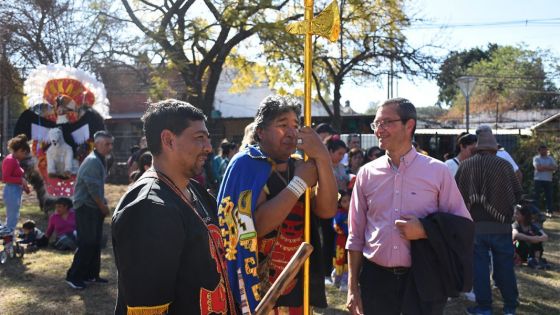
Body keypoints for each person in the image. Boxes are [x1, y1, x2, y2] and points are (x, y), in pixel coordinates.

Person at [346, 98, 473, 315]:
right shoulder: (366, 174)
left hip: (425, 279)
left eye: (387, 122)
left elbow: (463, 227)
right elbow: (355, 235)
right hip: (376, 281)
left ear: (409, 125)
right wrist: (352, 288)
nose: (379, 130)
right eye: (376, 124)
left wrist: (426, 230)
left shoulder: (438, 171)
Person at [112, 99, 236, 315]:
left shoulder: (195, 190)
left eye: (208, 139)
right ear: (168, 140)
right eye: (199, 138)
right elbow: (149, 306)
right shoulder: (148, 209)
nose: (208, 147)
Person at [217, 94, 338, 313]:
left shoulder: (300, 165)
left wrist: (322, 157)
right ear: (261, 132)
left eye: (295, 125)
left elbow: (327, 210)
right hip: (258, 284)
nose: (291, 132)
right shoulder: (247, 165)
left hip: (297, 282)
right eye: (283, 125)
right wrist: (299, 183)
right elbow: (256, 225)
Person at [455, 127, 522, 315]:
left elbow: (457, 196)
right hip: (501, 226)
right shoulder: (504, 166)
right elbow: (517, 193)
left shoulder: (465, 166)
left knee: (480, 269)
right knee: (505, 267)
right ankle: (510, 307)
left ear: (477, 147)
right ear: (493, 147)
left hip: (475, 227)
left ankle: (484, 308)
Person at [65, 130, 113, 290]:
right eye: (107, 144)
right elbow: (92, 188)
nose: (110, 147)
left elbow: (97, 187)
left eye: (111, 144)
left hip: (94, 207)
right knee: (87, 242)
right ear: (97, 144)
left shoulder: (100, 159)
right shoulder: (93, 161)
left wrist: (102, 206)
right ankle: (74, 276)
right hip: (86, 207)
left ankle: (91, 275)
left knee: (95, 242)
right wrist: (103, 206)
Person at [2, 134, 31, 232]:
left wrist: (24, 185)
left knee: (14, 217)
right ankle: (8, 242)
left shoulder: (15, 160)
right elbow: (5, 178)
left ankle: (9, 238)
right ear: (19, 150)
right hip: (11, 191)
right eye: (24, 152)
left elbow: (15, 176)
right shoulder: (10, 160)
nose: (24, 155)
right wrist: (20, 180)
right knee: (12, 219)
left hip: (15, 190)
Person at [512, 205, 549, 269]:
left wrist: (537, 238)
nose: (514, 215)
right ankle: (523, 259)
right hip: (518, 250)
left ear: (524, 216)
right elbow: (516, 235)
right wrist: (532, 239)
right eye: (514, 213)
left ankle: (535, 259)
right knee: (519, 241)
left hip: (530, 251)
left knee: (537, 239)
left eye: (517, 214)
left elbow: (545, 236)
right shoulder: (515, 225)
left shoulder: (532, 226)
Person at [332, 190, 351, 291]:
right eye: (344, 201)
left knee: (349, 260)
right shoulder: (339, 214)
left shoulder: (354, 212)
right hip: (341, 240)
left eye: (349, 200)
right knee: (341, 259)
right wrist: (344, 231)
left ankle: (345, 282)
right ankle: (337, 279)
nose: (347, 203)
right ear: (339, 203)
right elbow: (335, 226)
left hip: (351, 240)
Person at [533, 144, 558, 217]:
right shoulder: (536, 158)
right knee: (536, 196)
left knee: (549, 196)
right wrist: (549, 167)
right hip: (538, 180)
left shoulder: (550, 158)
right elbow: (538, 168)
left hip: (548, 180)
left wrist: (543, 167)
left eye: (545, 150)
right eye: (543, 150)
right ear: (539, 150)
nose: (545, 151)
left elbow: (555, 167)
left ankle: (549, 211)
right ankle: (536, 211)